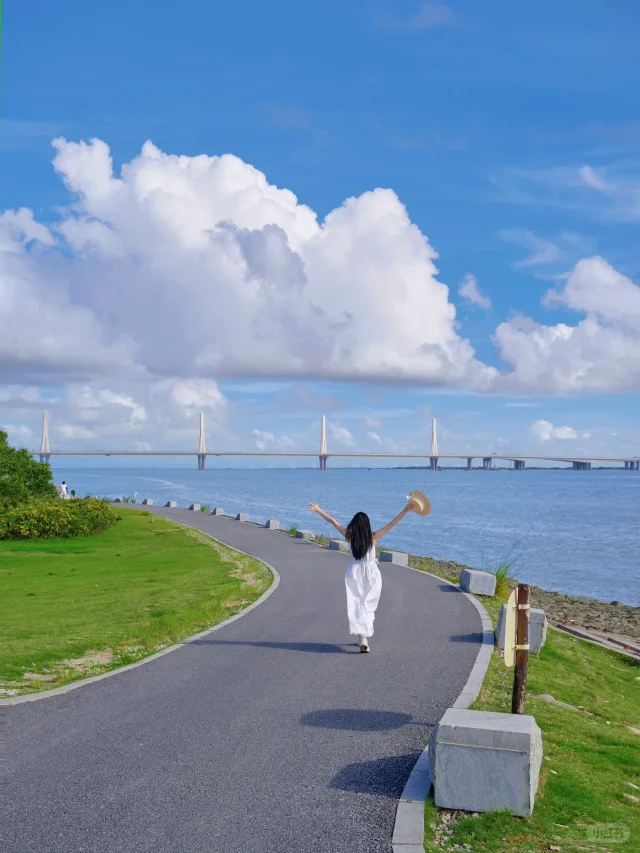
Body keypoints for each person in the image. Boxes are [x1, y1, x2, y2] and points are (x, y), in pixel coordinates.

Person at [308, 499, 417, 653]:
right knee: (368, 605)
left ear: (355, 524)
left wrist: (319, 510)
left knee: (357, 604)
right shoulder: (374, 537)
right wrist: (405, 510)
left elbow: (333, 521)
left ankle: (362, 636)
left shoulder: (350, 536)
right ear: (367, 525)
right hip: (372, 574)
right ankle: (362, 637)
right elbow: (392, 523)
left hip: (354, 573)